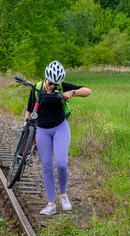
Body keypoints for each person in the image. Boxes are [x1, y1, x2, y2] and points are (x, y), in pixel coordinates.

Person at [25, 60, 91, 215]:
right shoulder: (36, 89)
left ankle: (63, 195)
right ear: (45, 78)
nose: (52, 86)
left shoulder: (62, 87)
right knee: (47, 166)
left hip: (60, 128)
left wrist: (72, 93)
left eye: (55, 84)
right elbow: (29, 110)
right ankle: (51, 204)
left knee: (61, 163)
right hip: (42, 130)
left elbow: (88, 91)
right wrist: (26, 126)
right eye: (50, 83)